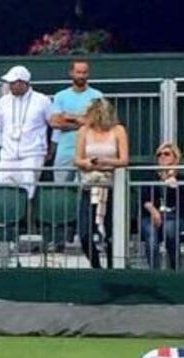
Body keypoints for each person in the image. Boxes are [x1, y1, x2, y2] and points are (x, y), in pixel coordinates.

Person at [74, 98, 129, 269]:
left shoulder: (118, 130)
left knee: (111, 233)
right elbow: (77, 159)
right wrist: (88, 164)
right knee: (85, 233)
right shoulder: (84, 131)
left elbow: (124, 159)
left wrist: (106, 162)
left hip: (112, 187)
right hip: (89, 185)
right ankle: (96, 265)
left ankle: (113, 267)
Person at [0, 64, 53, 199]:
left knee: (28, 193)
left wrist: (48, 149)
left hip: (32, 154)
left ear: (23, 83)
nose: (10, 86)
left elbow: (53, 124)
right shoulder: (4, 101)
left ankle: (27, 220)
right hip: (7, 156)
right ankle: (5, 220)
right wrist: (1, 144)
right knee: (3, 192)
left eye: (13, 83)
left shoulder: (42, 100)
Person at [50, 60, 104, 183]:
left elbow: (98, 122)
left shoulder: (97, 96)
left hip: (90, 149)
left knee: (86, 188)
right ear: (71, 73)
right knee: (60, 187)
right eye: (78, 72)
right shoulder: (60, 96)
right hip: (65, 150)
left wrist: (70, 117)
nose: (81, 76)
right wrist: (84, 121)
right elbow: (55, 123)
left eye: (84, 72)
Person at [140, 142, 184, 270]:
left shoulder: (183, 179)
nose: (162, 157)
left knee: (170, 229)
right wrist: (154, 211)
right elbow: (144, 200)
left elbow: (183, 205)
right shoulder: (150, 176)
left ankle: (174, 269)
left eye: (167, 154)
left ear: (175, 158)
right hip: (151, 215)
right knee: (151, 235)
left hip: (174, 216)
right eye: (159, 154)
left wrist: (173, 186)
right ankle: (154, 272)